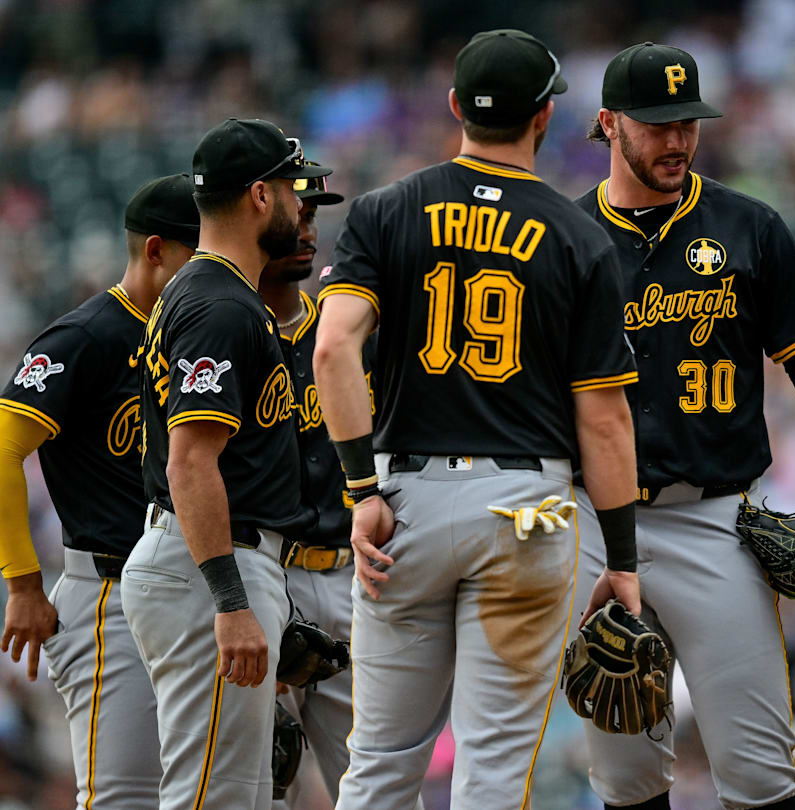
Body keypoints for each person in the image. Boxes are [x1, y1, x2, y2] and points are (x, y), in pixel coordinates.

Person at [314, 29, 641, 810]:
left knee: (381, 763)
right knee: (495, 772)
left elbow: (331, 351)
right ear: (545, 115)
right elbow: (604, 419)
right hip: (525, 511)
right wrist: (623, 558)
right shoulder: (579, 235)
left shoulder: (388, 209)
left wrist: (362, 489)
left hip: (406, 505)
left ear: (457, 106)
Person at [577, 42, 795, 810]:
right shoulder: (567, 238)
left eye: (688, 122)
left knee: (761, 773)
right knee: (623, 776)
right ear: (608, 123)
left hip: (715, 519)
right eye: (656, 125)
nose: (677, 139)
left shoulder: (749, 226)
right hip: (596, 523)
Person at [0, 174, 198, 808]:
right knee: (123, 799)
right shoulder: (88, 336)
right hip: (111, 597)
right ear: (156, 251)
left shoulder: (207, 332)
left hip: (200, 591)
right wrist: (21, 584)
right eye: (197, 254)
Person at [121, 119, 327, 809]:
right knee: (212, 798)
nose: (304, 208)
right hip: (206, 563)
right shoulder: (219, 304)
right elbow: (189, 464)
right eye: (294, 189)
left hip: (204, 561)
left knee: (229, 794)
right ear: (261, 198)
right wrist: (232, 602)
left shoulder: (209, 294)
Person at [256, 163, 357, 806]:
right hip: (263, 574)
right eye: (297, 213)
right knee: (259, 780)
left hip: (352, 575)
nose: (307, 229)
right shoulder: (217, 329)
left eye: (314, 216)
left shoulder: (347, 330)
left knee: (375, 778)